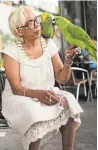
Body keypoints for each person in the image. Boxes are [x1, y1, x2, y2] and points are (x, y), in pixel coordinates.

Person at [1, 5, 83, 150]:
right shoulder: (10, 52)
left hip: (47, 91)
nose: (37, 25)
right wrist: (38, 94)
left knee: (69, 104)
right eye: (30, 22)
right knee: (35, 114)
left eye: (36, 20)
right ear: (19, 31)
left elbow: (62, 78)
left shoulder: (49, 44)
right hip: (21, 96)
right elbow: (16, 88)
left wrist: (68, 61)